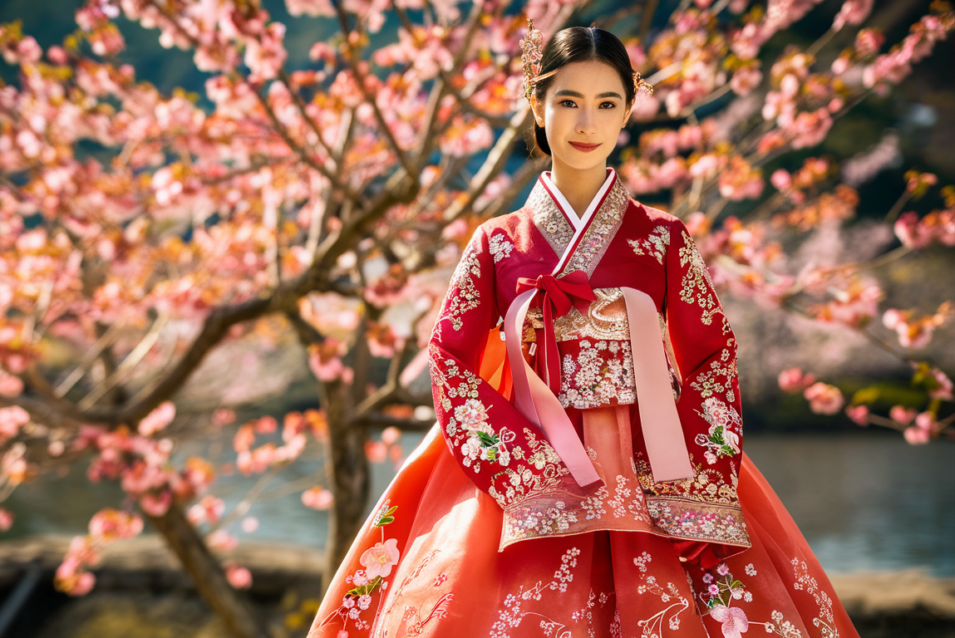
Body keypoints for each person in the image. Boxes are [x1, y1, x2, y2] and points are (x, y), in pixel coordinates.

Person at [307, 21, 861, 638]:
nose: (585, 124)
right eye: (567, 102)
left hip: (654, 456)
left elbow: (712, 356)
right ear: (536, 106)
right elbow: (449, 360)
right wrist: (521, 465)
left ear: (627, 113)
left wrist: (699, 471)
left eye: (606, 104)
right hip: (529, 453)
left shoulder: (663, 239)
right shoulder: (495, 243)